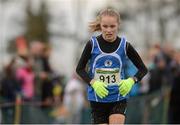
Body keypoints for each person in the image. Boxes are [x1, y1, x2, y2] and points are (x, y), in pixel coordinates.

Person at [76, 8, 148, 124]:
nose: (109, 30)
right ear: (100, 25)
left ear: (118, 25)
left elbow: (143, 69)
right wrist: (93, 83)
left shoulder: (125, 45)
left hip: (118, 96)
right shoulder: (92, 44)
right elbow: (79, 69)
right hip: (97, 98)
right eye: (105, 26)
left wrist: (131, 81)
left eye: (112, 26)